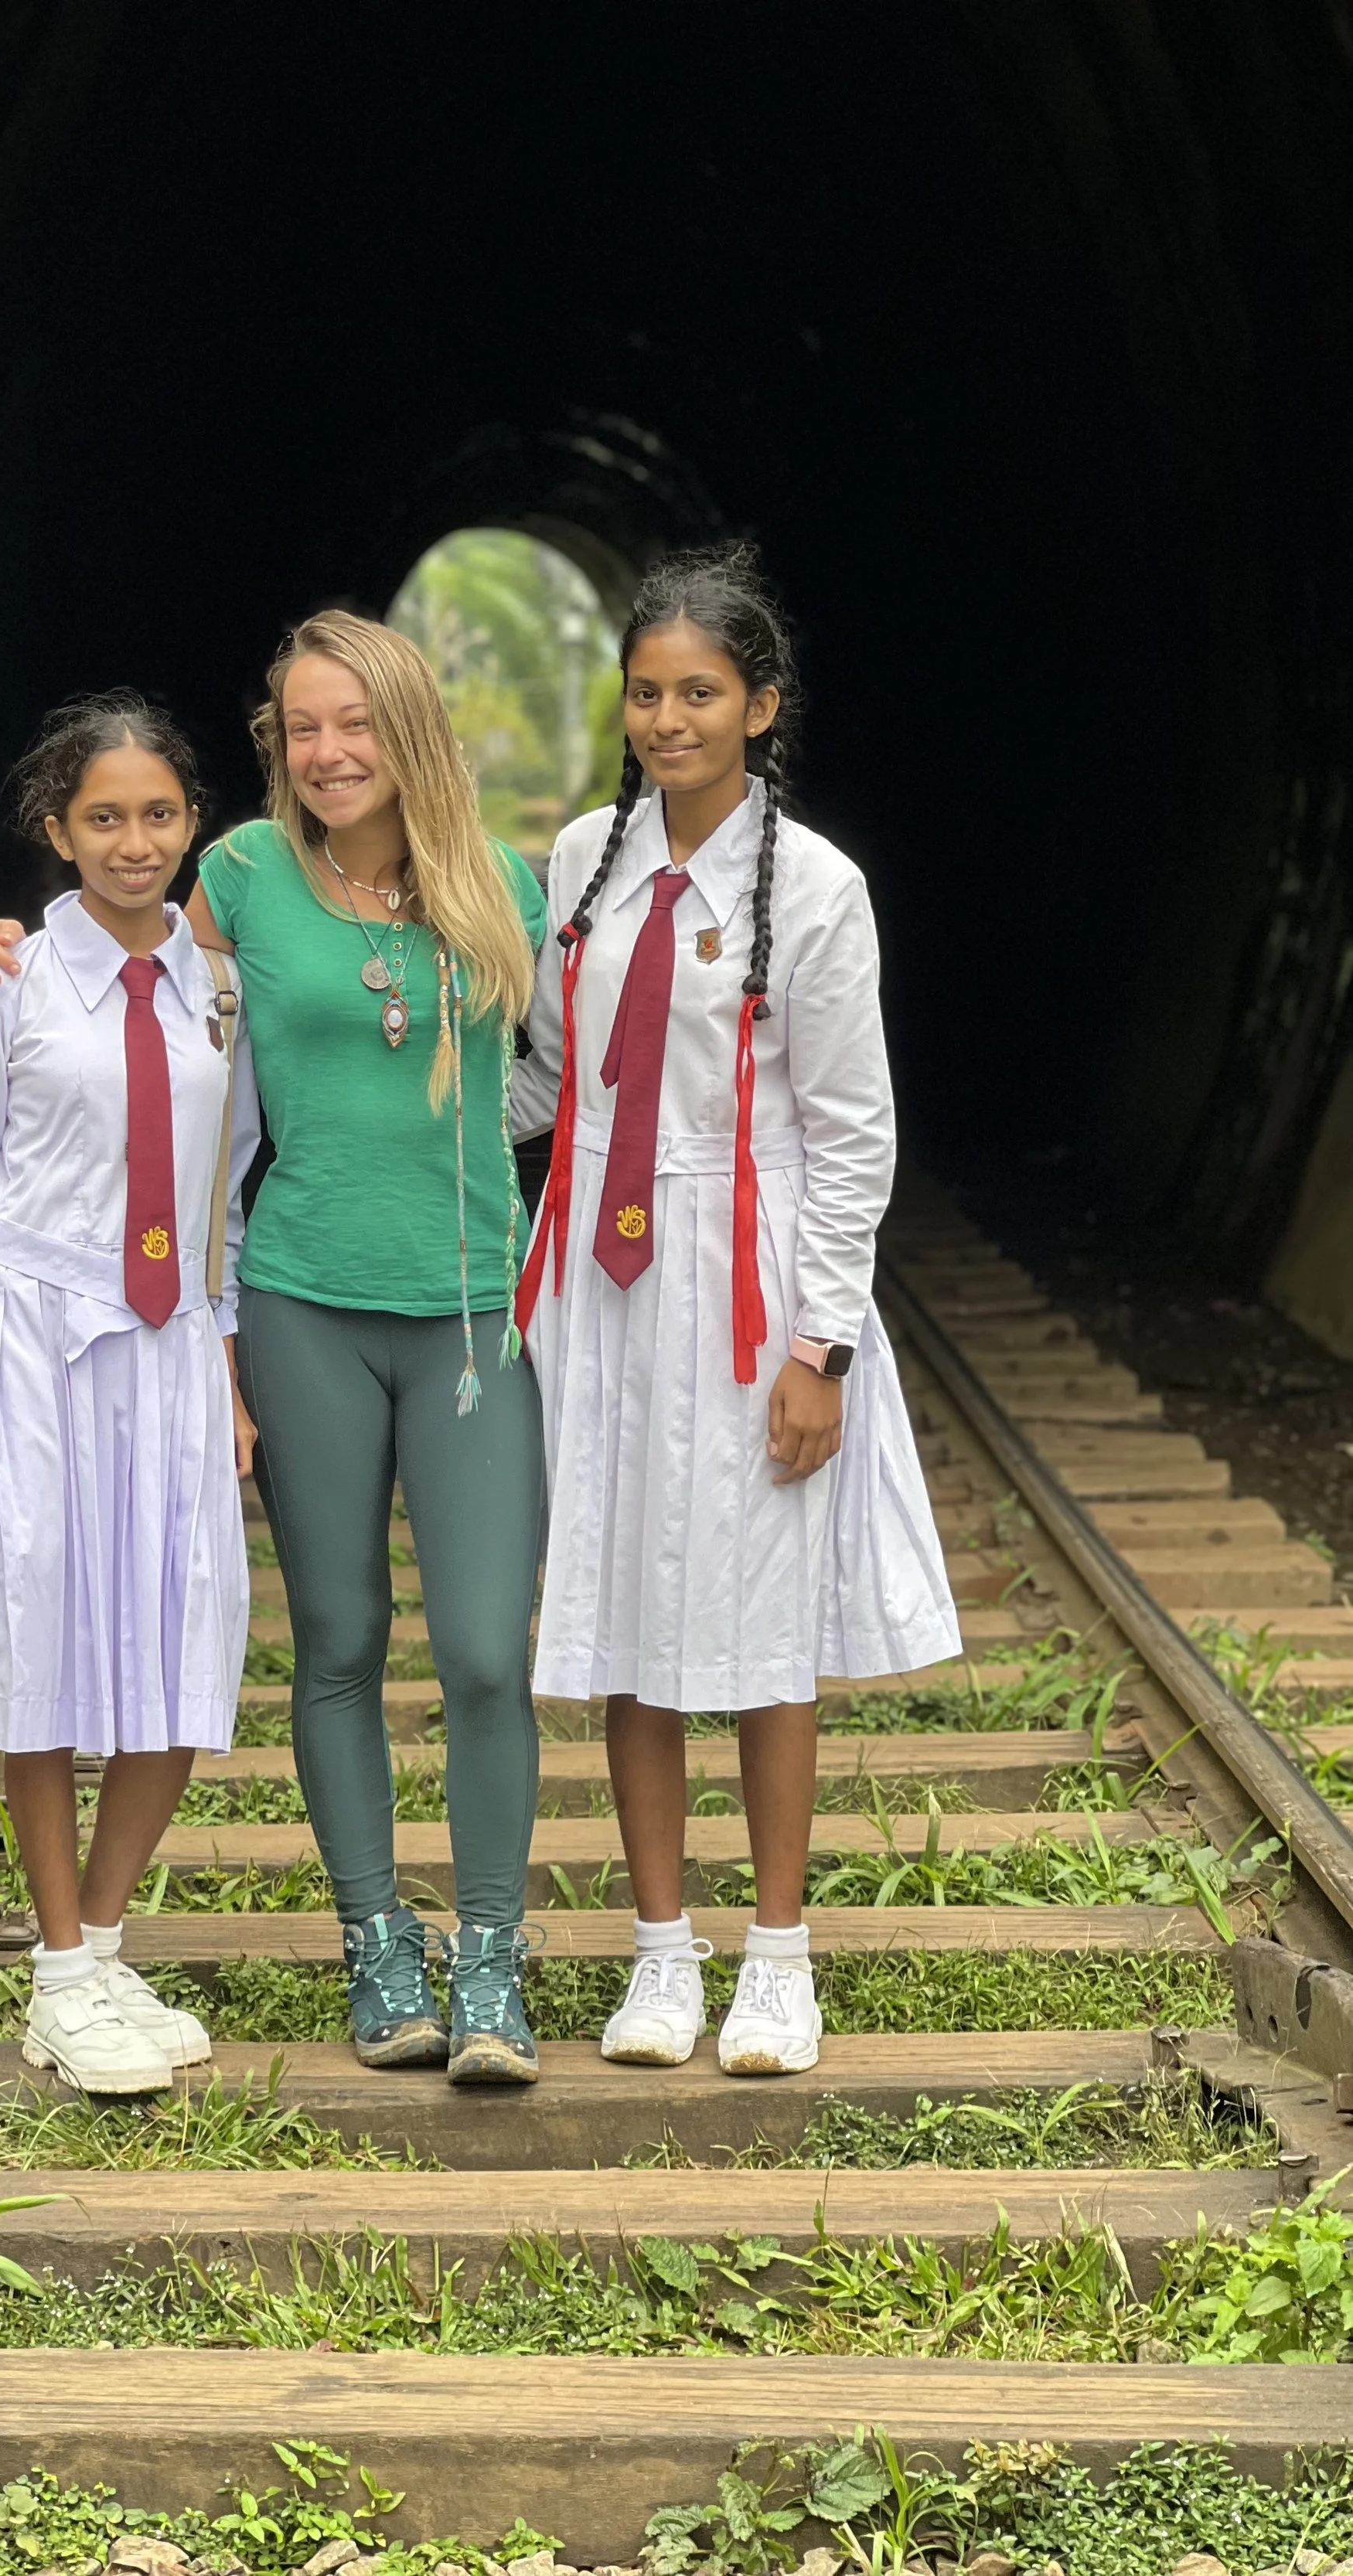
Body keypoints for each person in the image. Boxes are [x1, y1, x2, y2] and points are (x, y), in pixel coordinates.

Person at [0, 612, 550, 2084]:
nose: (331, 754)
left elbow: (558, 1088)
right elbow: (127, 966)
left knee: (482, 1647)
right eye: (302, 730)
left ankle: (489, 1963)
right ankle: (377, 1950)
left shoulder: (508, 888)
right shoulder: (239, 879)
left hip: (470, 1316)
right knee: (336, 1638)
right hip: (297, 1302)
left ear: (411, 732)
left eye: (359, 725)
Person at [510, 544, 959, 2077]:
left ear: (759, 706)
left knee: (760, 1626)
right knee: (626, 1610)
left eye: (698, 692)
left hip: (743, 1283)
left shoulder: (816, 888)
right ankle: (656, 1954)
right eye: (644, 692)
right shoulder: (580, 860)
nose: (665, 719)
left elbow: (850, 1132)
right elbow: (544, 1083)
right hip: (598, 1284)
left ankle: (775, 1958)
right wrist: (367, 1055)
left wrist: (817, 1347)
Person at [0, 692, 260, 2094]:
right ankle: (56, 1966)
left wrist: (220, 1367)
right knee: (39, 1638)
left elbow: (221, 1195)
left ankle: (102, 1946)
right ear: (58, 831)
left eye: (158, 814)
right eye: (104, 817)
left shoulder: (225, 989)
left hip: (167, 1347)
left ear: (192, 823)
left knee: (180, 1635)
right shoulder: (8, 987)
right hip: (26, 1345)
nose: (134, 841)